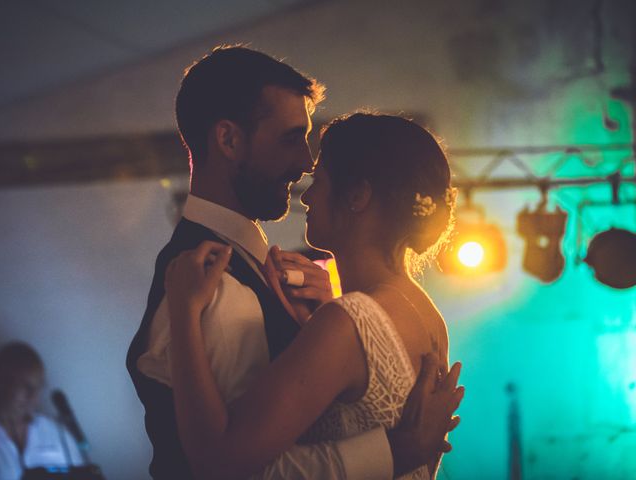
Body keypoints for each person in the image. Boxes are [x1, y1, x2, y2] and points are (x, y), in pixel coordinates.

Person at [127, 46, 462, 479]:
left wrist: (336, 320)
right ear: (228, 139)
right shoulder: (211, 282)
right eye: (291, 138)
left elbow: (233, 459)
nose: (305, 167)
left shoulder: (332, 310)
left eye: (319, 171)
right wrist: (395, 452)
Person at [0, 342, 84, 480]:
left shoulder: (55, 432)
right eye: (25, 386)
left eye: (38, 387)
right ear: (0, 381)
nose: (33, 396)